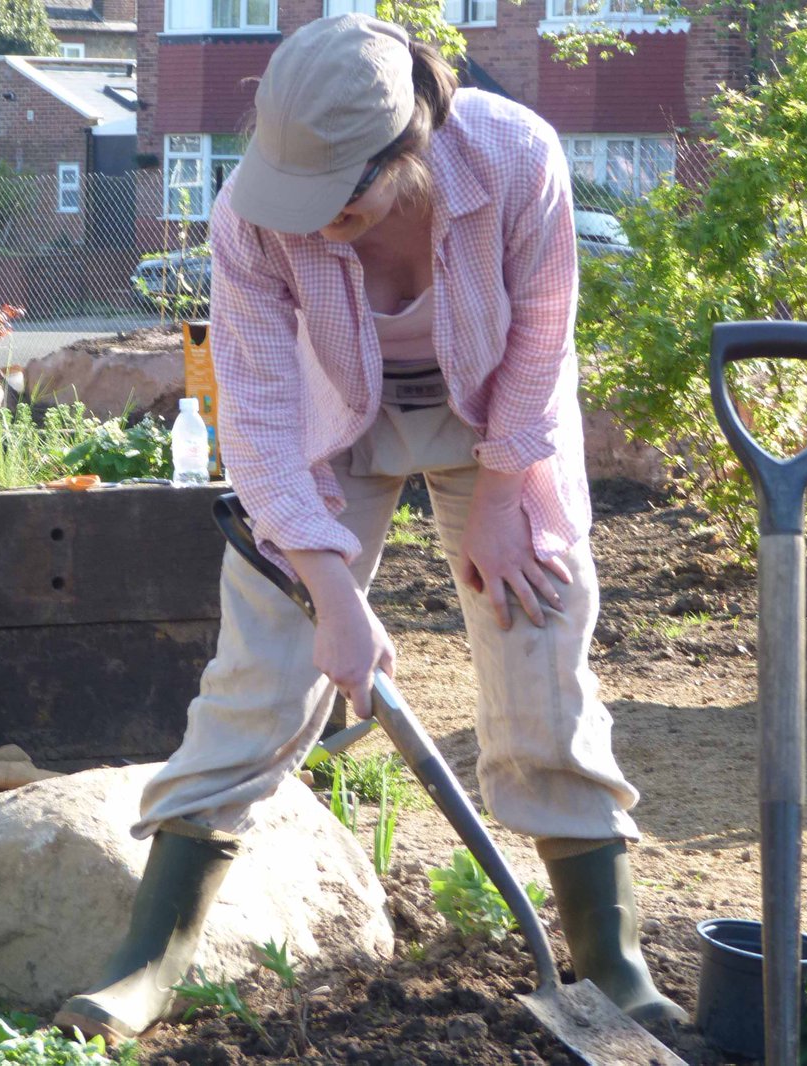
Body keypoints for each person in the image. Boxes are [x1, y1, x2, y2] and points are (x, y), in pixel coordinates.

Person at [54, 12, 686, 1042]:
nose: (309, 224)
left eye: (338, 202)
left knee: (539, 645)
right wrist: (330, 595)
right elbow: (256, 415)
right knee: (264, 668)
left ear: (410, 147)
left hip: (498, 420)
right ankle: (147, 959)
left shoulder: (518, 156)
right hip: (326, 427)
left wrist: (496, 501)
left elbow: (540, 340)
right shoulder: (249, 215)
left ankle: (609, 960)